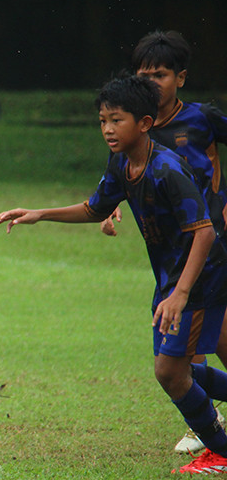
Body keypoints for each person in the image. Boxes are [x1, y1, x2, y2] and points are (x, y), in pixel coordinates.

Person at [0, 74, 227, 475]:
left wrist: (181, 293)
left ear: (145, 123)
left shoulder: (167, 168)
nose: (107, 129)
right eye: (103, 120)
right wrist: (40, 213)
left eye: (117, 120)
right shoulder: (122, 163)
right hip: (171, 279)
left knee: (169, 372)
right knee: (177, 370)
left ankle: (221, 452)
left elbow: (204, 232)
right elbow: (95, 208)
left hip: (200, 277)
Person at [99, 31, 227, 454]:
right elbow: (118, 187)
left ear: (180, 78)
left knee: (194, 350)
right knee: (184, 355)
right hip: (178, 255)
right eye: (144, 75)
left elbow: (198, 221)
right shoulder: (130, 133)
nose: (152, 83)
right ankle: (207, 427)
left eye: (160, 75)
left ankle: (208, 434)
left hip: (212, 244)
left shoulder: (200, 120)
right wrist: (111, 208)